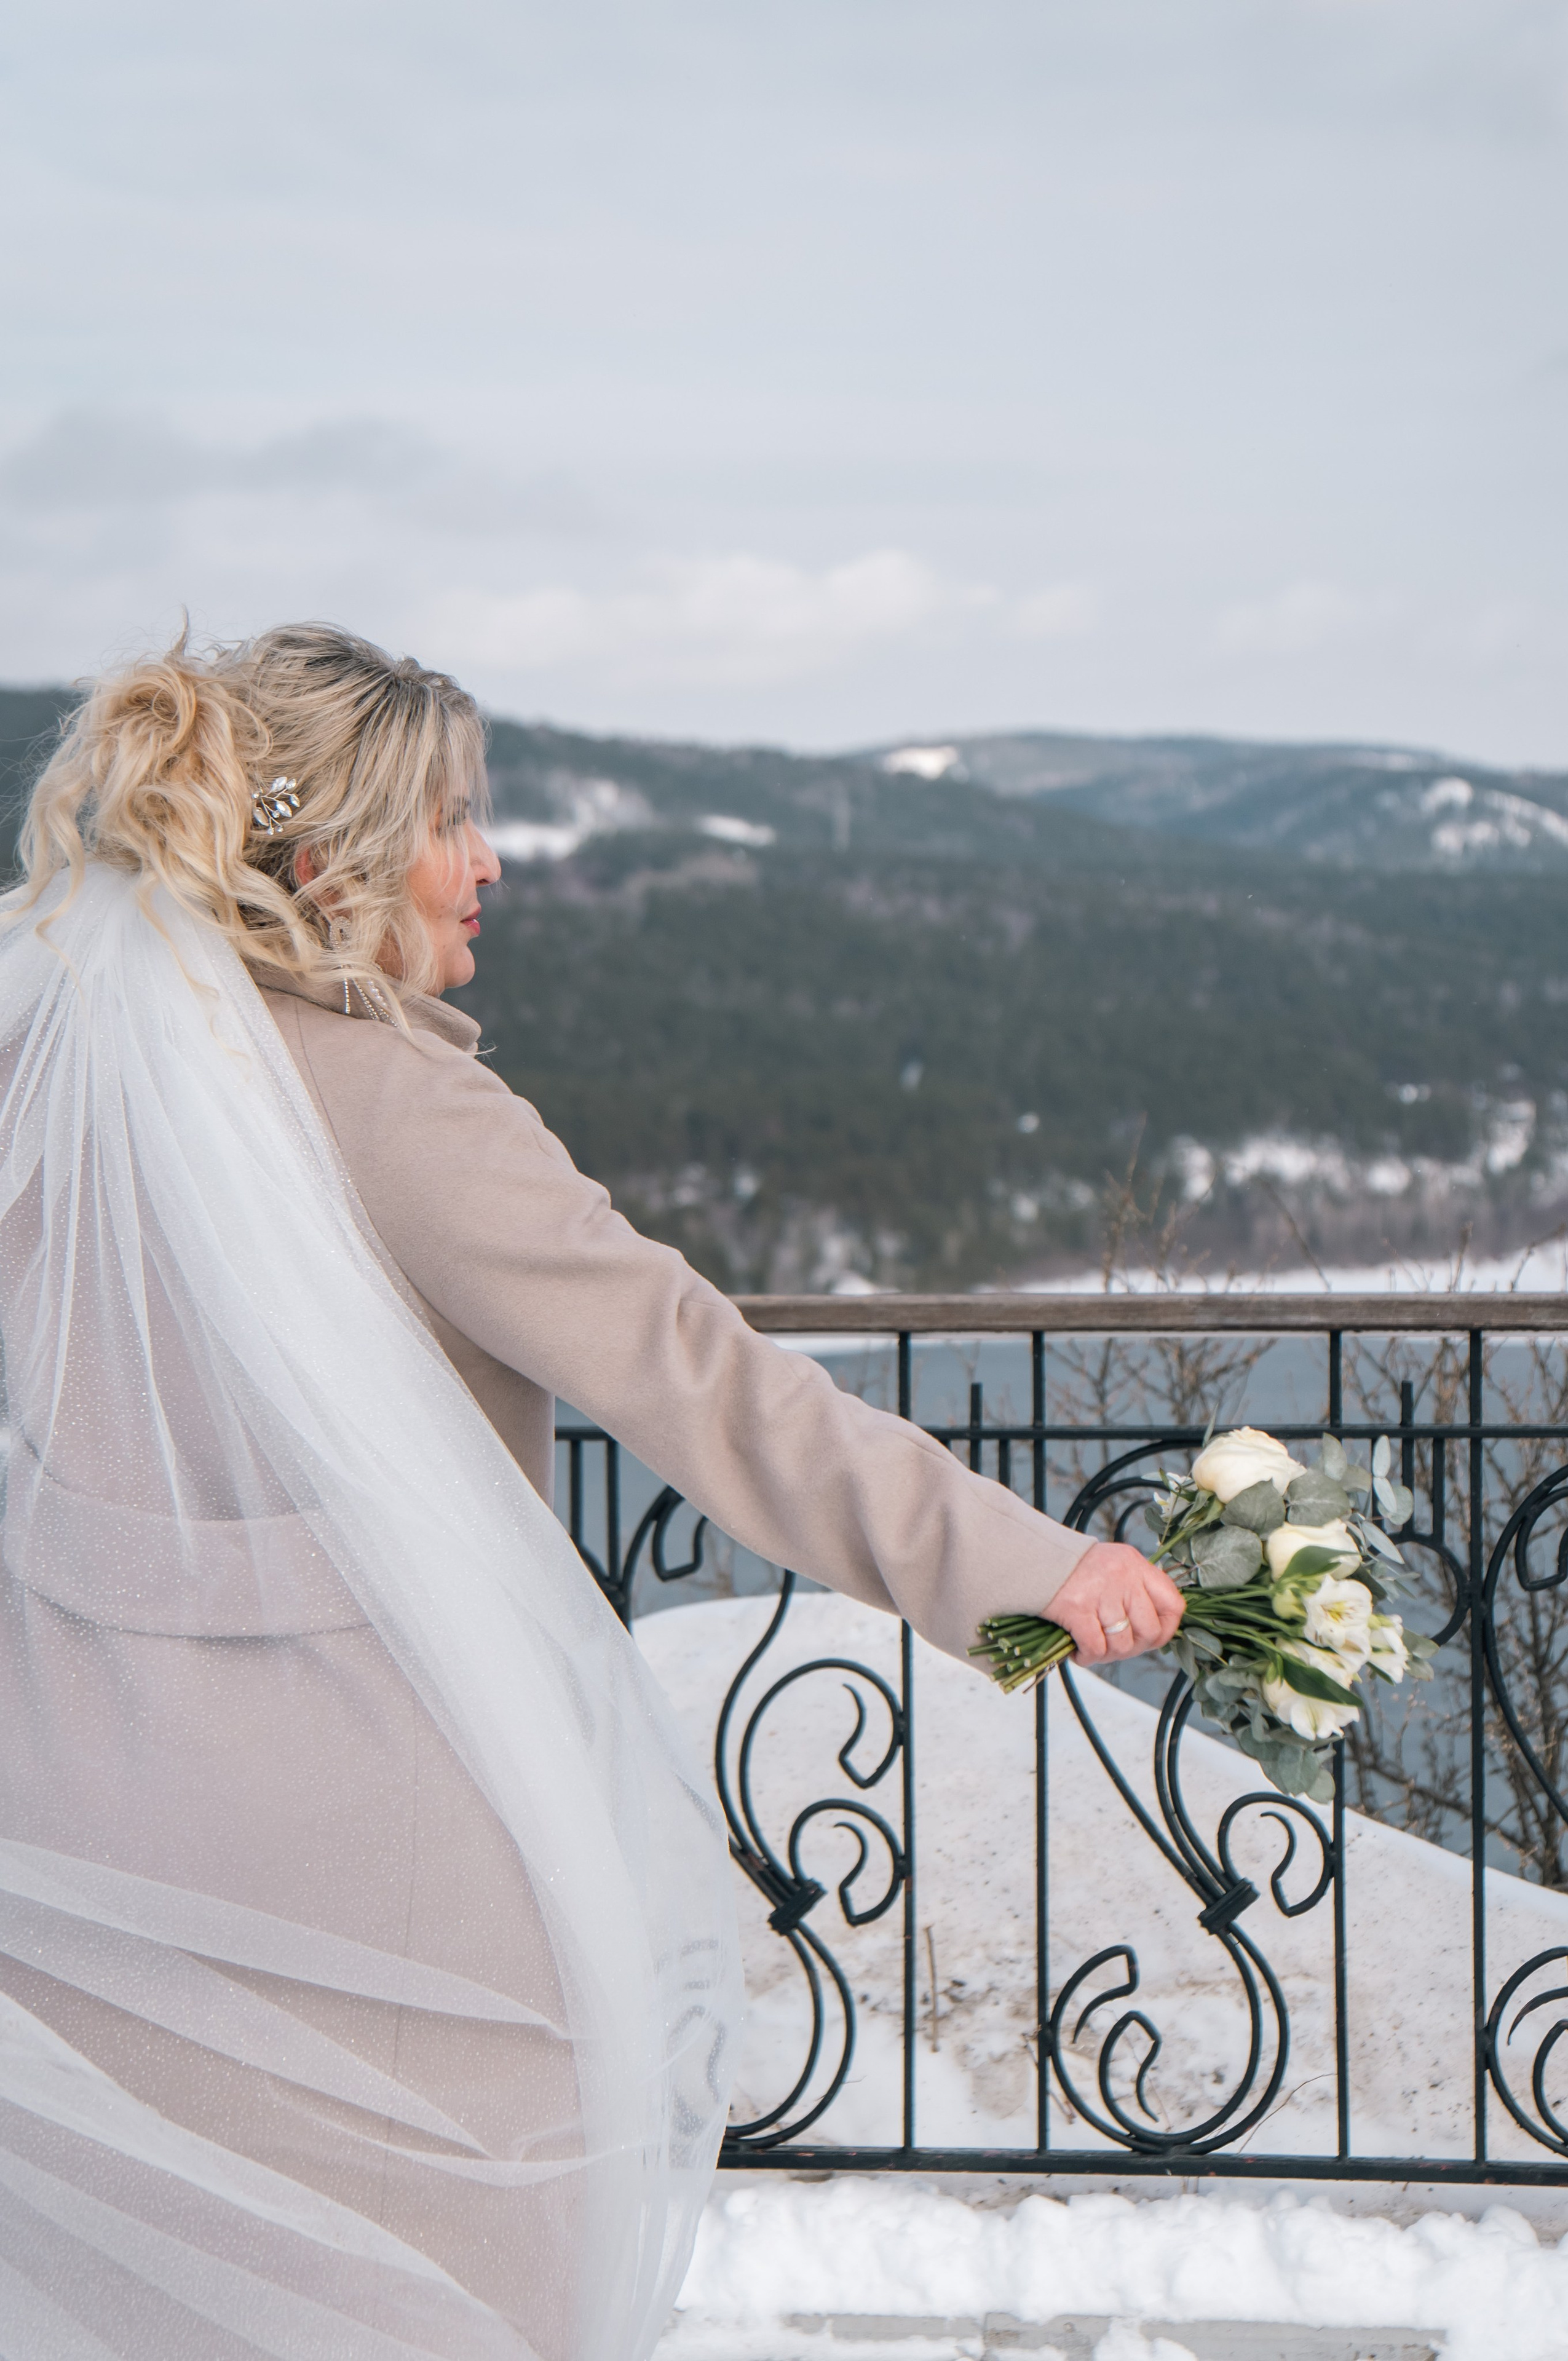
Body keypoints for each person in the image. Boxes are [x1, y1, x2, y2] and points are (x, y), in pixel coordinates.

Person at [0, 625, 1182, 2360]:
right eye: (450, 822)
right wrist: (1023, 1568)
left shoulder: (49, 1066)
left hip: (77, 1830)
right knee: (450, 2274)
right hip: (371, 1856)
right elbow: (701, 1378)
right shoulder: (396, 1105)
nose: (488, 865)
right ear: (328, 854)